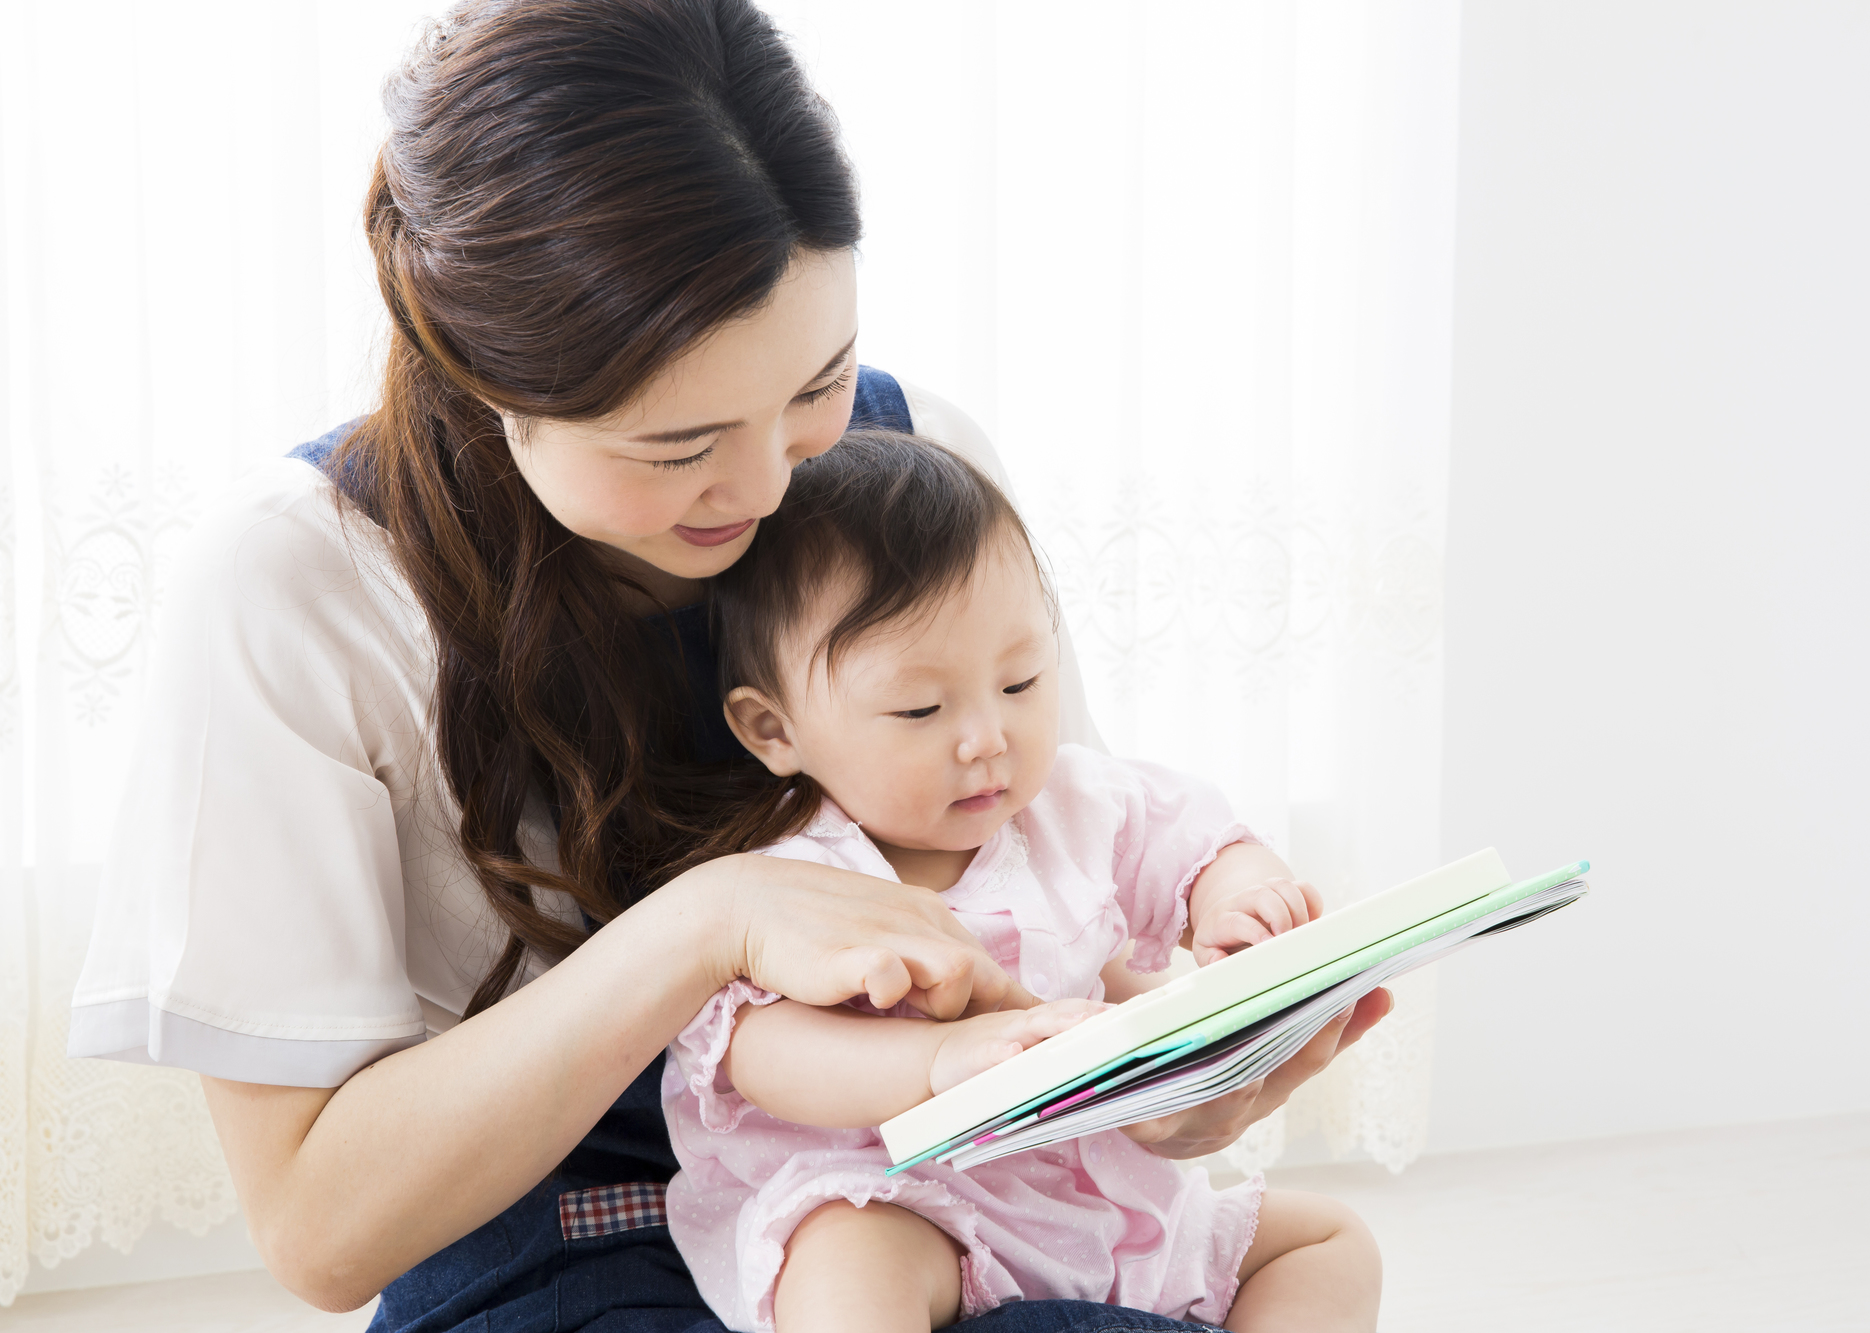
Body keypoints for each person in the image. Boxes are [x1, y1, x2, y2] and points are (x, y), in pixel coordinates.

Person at [65, 3, 1391, 1330]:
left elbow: (1059, 902)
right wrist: (710, 927)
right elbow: (318, 1235)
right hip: (560, 1257)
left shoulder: (915, 466)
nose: (765, 484)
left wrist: (1178, 1066)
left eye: (819, 382)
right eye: (676, 443)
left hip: (958, 1200)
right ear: (484, 374)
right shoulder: (298, 585)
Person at [661, 432, 1383, 1333]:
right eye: (922, 708)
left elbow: (1201, 843)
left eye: (1020, 681)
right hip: (906, 1199)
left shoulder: (1076, 806)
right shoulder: (791, 875)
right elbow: (758, 1055)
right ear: (775, 729)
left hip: (1100, 1194)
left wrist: (1244, 903)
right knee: (844, 1267)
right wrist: (936, 1061)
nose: (986, 737)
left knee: (1329, 1243)